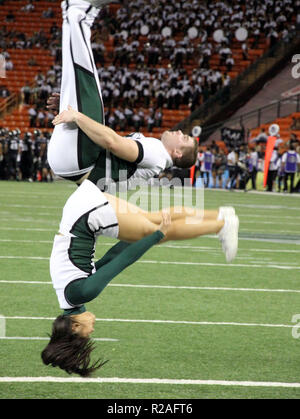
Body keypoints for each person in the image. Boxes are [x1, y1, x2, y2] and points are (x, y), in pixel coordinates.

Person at [41, 178, 239, 377]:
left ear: (75, 327)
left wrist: (156, 236)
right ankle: (220, 215)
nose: (91, 332)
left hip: (87, 215)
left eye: (85, 336)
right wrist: (145, 237)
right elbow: (111, 258)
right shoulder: (70, 294)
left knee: (156, 230)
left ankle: (220, 226)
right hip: (79, 206)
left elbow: (121, 262)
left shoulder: (82, 293)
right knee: (153, 219)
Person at [47, 0, 197, 190]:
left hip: (79, 161)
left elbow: (112, 142)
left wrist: (77, 115)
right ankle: (76, 12)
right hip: (73, 163)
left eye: (184, 138)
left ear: (177, 153)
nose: (180, 132)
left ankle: (80, 11)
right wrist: (69, 106)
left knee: (83, 75)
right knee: (76, 75)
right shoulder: (156, 161)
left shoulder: (158, 153)